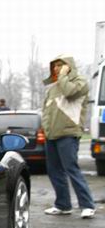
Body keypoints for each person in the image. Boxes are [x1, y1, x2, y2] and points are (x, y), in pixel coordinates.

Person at [41, 55, 96, 219]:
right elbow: (46, 112)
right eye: (55, 66)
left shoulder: (80, 82)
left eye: (60, 65)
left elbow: (69, 92)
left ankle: (87, 205)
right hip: (51, 135)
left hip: (68, 134)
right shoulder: (52, 88)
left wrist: (64, 76)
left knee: (71, 169)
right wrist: (45, 129)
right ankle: (63, 205)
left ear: (69, 66)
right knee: (53, 171)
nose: (56, 69)